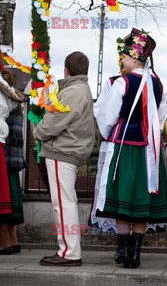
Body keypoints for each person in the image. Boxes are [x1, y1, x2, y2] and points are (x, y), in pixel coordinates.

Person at [93, 28, 167, 269]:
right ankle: (135, 253)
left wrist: (109, 135)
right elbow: (160, 116)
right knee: (141, 197)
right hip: (149, 150)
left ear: (135, 58)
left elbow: (107, 117)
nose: (123, 61)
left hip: (125, 146)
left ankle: (124, 251)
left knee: (122, 197)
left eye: (125, 57)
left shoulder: (122, 83)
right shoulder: (158, 85)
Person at [33, 52, 95, 266]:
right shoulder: (81, 89)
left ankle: (69, 252)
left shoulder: (72, 92)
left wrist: (37, 130)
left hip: (63, 150)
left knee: (63, 203)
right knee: (66, 202)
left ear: (66, 71)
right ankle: (69, 250)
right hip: (70, 150)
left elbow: (52, 124)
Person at [0, 69, 24, 255]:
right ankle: (12, 241)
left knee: (5, 203)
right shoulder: (17, 106)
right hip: (14, 158)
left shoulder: (8, 107)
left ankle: (6, 242)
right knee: (11, 201)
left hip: (7, 156)